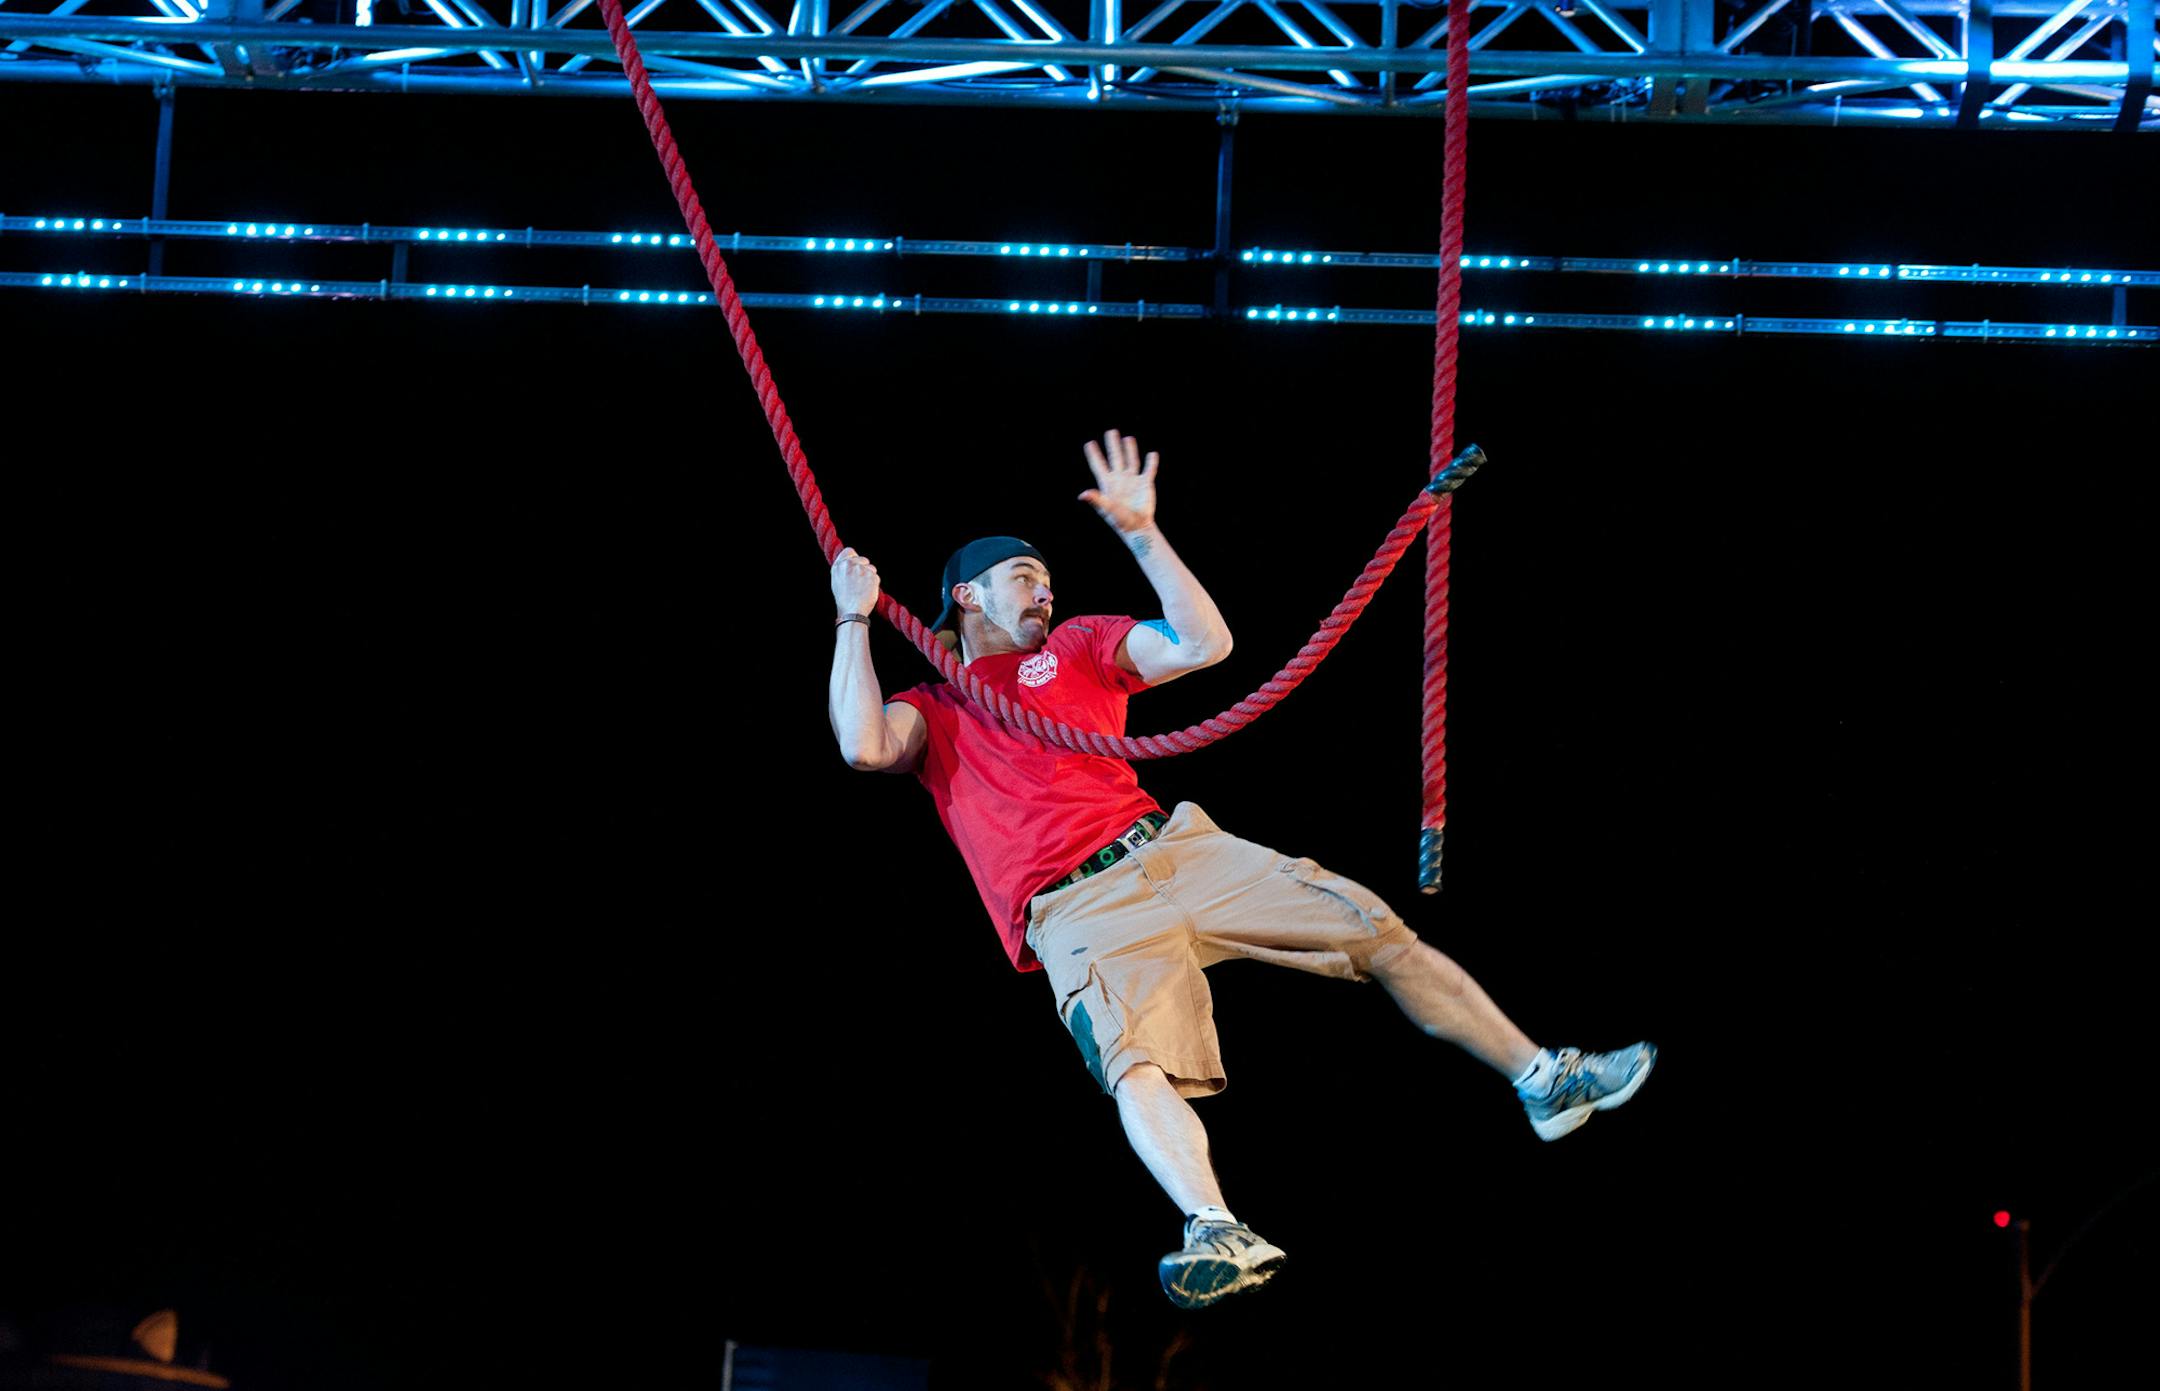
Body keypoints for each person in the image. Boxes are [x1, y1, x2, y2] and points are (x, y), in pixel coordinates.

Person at [827, 430, 1654, 1309]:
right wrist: (852, 616)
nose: (1046, 588)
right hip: (1077, 907)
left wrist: (1144, 534)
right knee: (1135, 1060)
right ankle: (1215, 1227)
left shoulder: (1073, 644)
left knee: (1376, 930)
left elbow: (1202, 644)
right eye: (1025, 576)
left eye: (1046, 576)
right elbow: (863, 744)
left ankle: (1543, 1078)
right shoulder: (937, 706)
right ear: (968, 592)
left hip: (1174, 847)